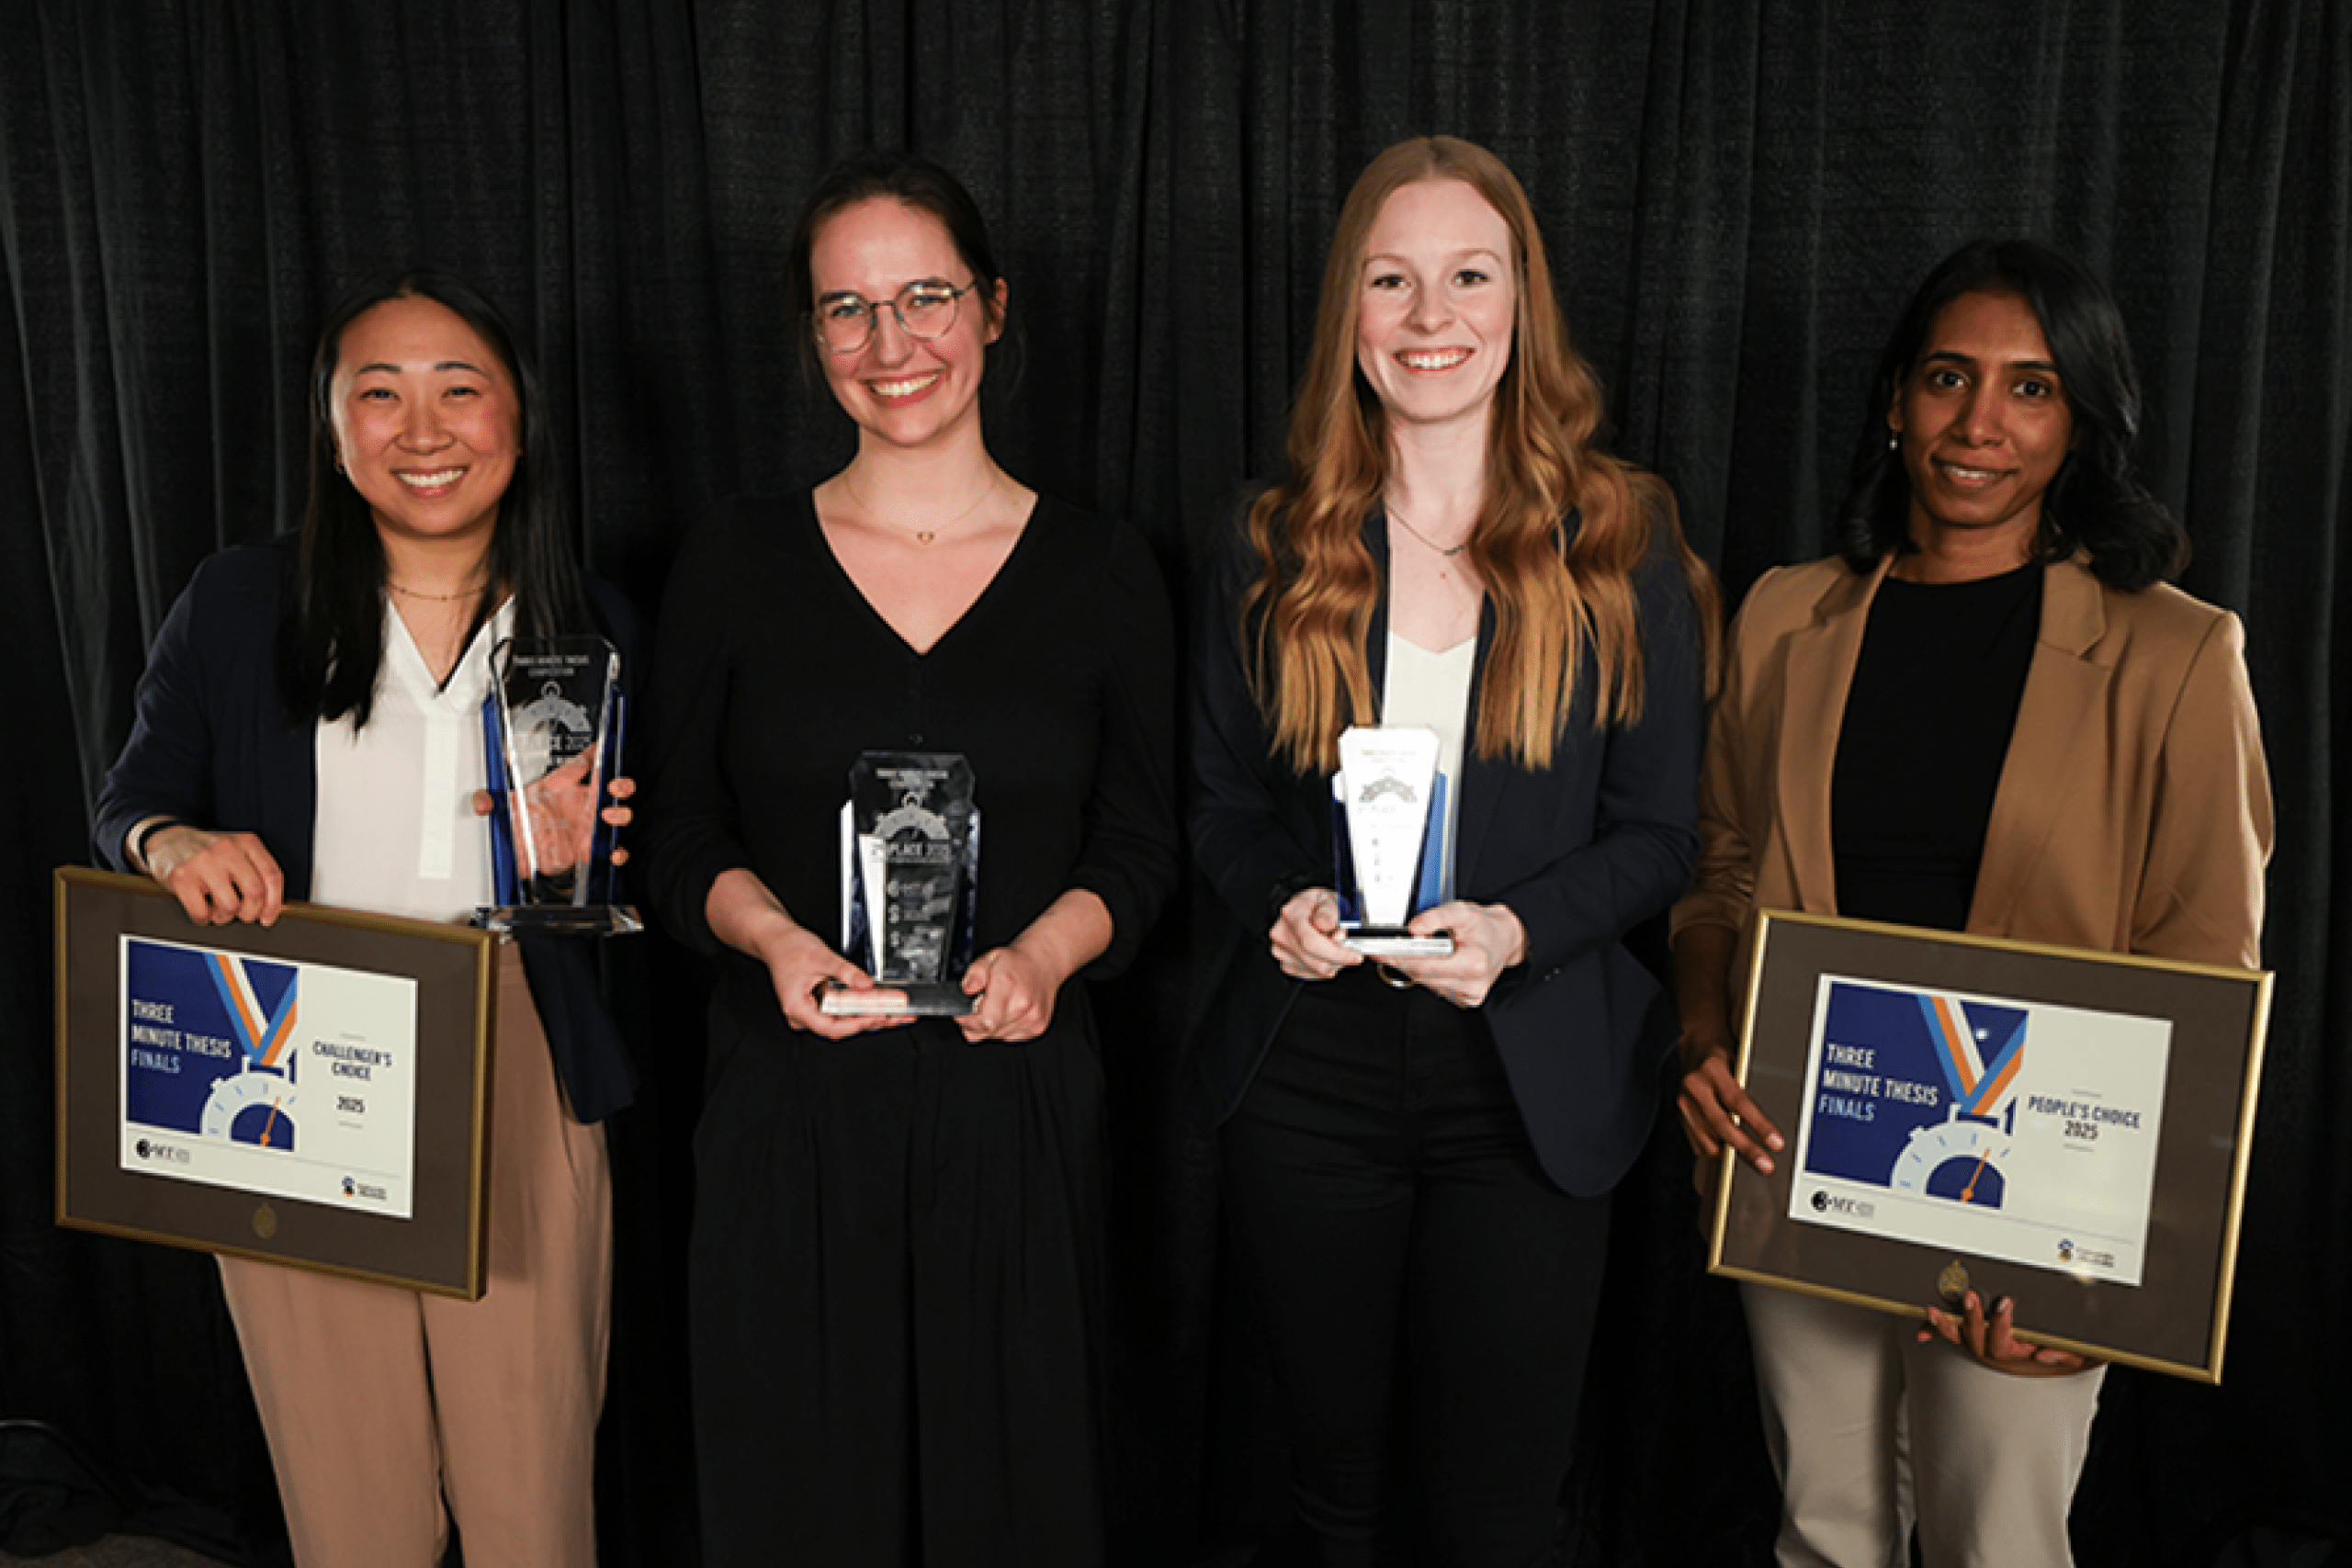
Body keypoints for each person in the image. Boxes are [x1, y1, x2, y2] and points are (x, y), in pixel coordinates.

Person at [1672, 238, 2271, 1567]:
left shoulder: (2177, 652)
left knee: (1997, 1541)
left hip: (2038, 1193)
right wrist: (1704, 1038)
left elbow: (2204, 980)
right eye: (1949, 377)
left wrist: (2117, 1281)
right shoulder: (1784, 617)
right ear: (1897, 397)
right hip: (1804, 1153)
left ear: (2081, 424)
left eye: (2031, 388)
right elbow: (1722, 868)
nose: (1979, 422)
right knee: (1823, 1532)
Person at [639, 149, 1176, 1566]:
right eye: (848, 308)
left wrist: (1049, 953)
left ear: (993, 306)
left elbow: (1141, 842)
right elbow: (676, 829)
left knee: (1015, 1501)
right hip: (791, 1106)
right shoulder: (734, 560)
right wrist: (771, 939)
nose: (892, 344)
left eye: (926, 296)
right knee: (798, 1502)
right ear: (811, 331)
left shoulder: (1106, 568)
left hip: (1019, 1103)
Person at [1186, 135, 1717, 1566]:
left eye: (1469, 276)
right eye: (1392, 280)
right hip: (1309, 1074)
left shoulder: (1622, 537)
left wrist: (1516, 929)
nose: (1432, 317)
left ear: (1521, 301)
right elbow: (1219, 803)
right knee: (1329, 1501)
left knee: (1497, 1516)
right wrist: (1281, 900)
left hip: (1527, 1082)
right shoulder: (1267, 540)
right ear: (1348, 315)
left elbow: (1660, 833)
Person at [92, 269, 639, 1565]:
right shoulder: (240, 603)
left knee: (531, 1490)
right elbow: (130, 802)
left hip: (516, 1044)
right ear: (334, 432)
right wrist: (176, 843)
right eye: (379, 394)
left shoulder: (593, 627)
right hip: (294, 1048)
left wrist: (592, 861)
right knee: (352, 1504)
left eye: (461, 389)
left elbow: (648, 866)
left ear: (521, 417)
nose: (423, 429)